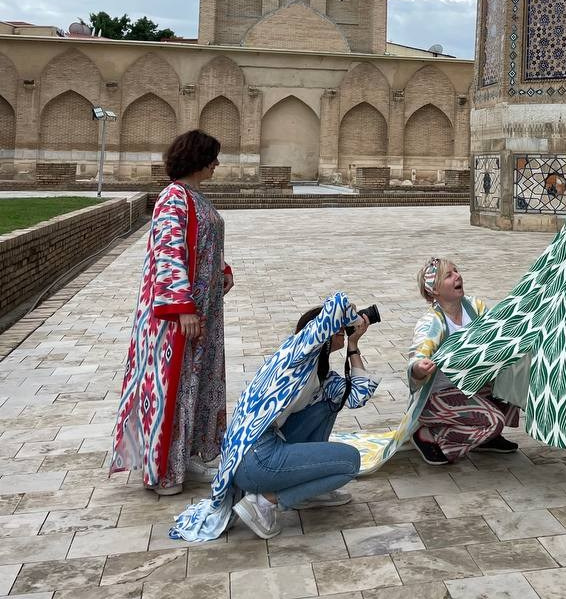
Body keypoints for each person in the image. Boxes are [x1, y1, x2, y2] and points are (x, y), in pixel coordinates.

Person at [170, 293, 376, 542]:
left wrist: (353, 345)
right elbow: (335, 306)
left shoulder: (320, 375)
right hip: (255, 460)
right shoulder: (297, 352)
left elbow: (357, 397)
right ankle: (264, 503)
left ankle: (306, 492)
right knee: (350, 462)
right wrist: (351, 314)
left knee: (329, 404)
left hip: (260, 453)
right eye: (341, 329)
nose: (344, 331)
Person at [111, 129, 233, 496]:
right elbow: (168, 254)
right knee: (175, 386)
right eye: (212, 157)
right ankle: (164, 471)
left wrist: (221, 270)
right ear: (198, 159)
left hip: (203, 312)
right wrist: (182, 308)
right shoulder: (172, 198)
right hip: (176, 319)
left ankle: (187, 456)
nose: (216, 164)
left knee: (196, 384)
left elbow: (198, 244)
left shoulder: (194, 197)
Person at [407, 258, 520, 465]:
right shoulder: (431, 322)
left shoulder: (475, 308)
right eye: (449, 275)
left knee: (513, 385)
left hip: (471, 385)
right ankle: (429, 435)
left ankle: (486, 438)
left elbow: (496, 336)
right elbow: (418, 356)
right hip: (437, 397)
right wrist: (420, 367)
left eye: (456, 271)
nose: (457, 276)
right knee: (493, 420)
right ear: (435, 290)